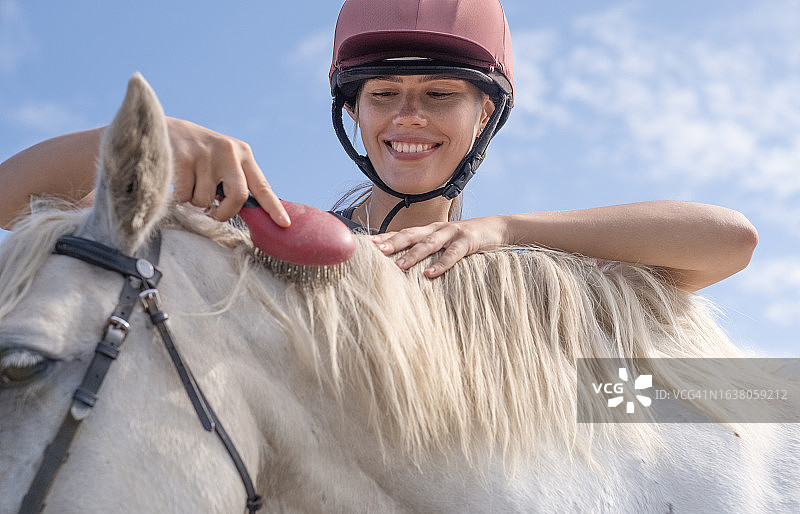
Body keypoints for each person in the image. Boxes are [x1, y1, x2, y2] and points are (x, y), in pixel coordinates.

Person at [0, 0, 757, 292]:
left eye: (438, 94)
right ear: (352, 109)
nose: (408, 118)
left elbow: (729, 240)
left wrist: (504, 232)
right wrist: (148, 141)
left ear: (486, 114)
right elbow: (8, 202)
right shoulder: (269, 246)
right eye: (383, 95)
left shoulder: (520, 285)